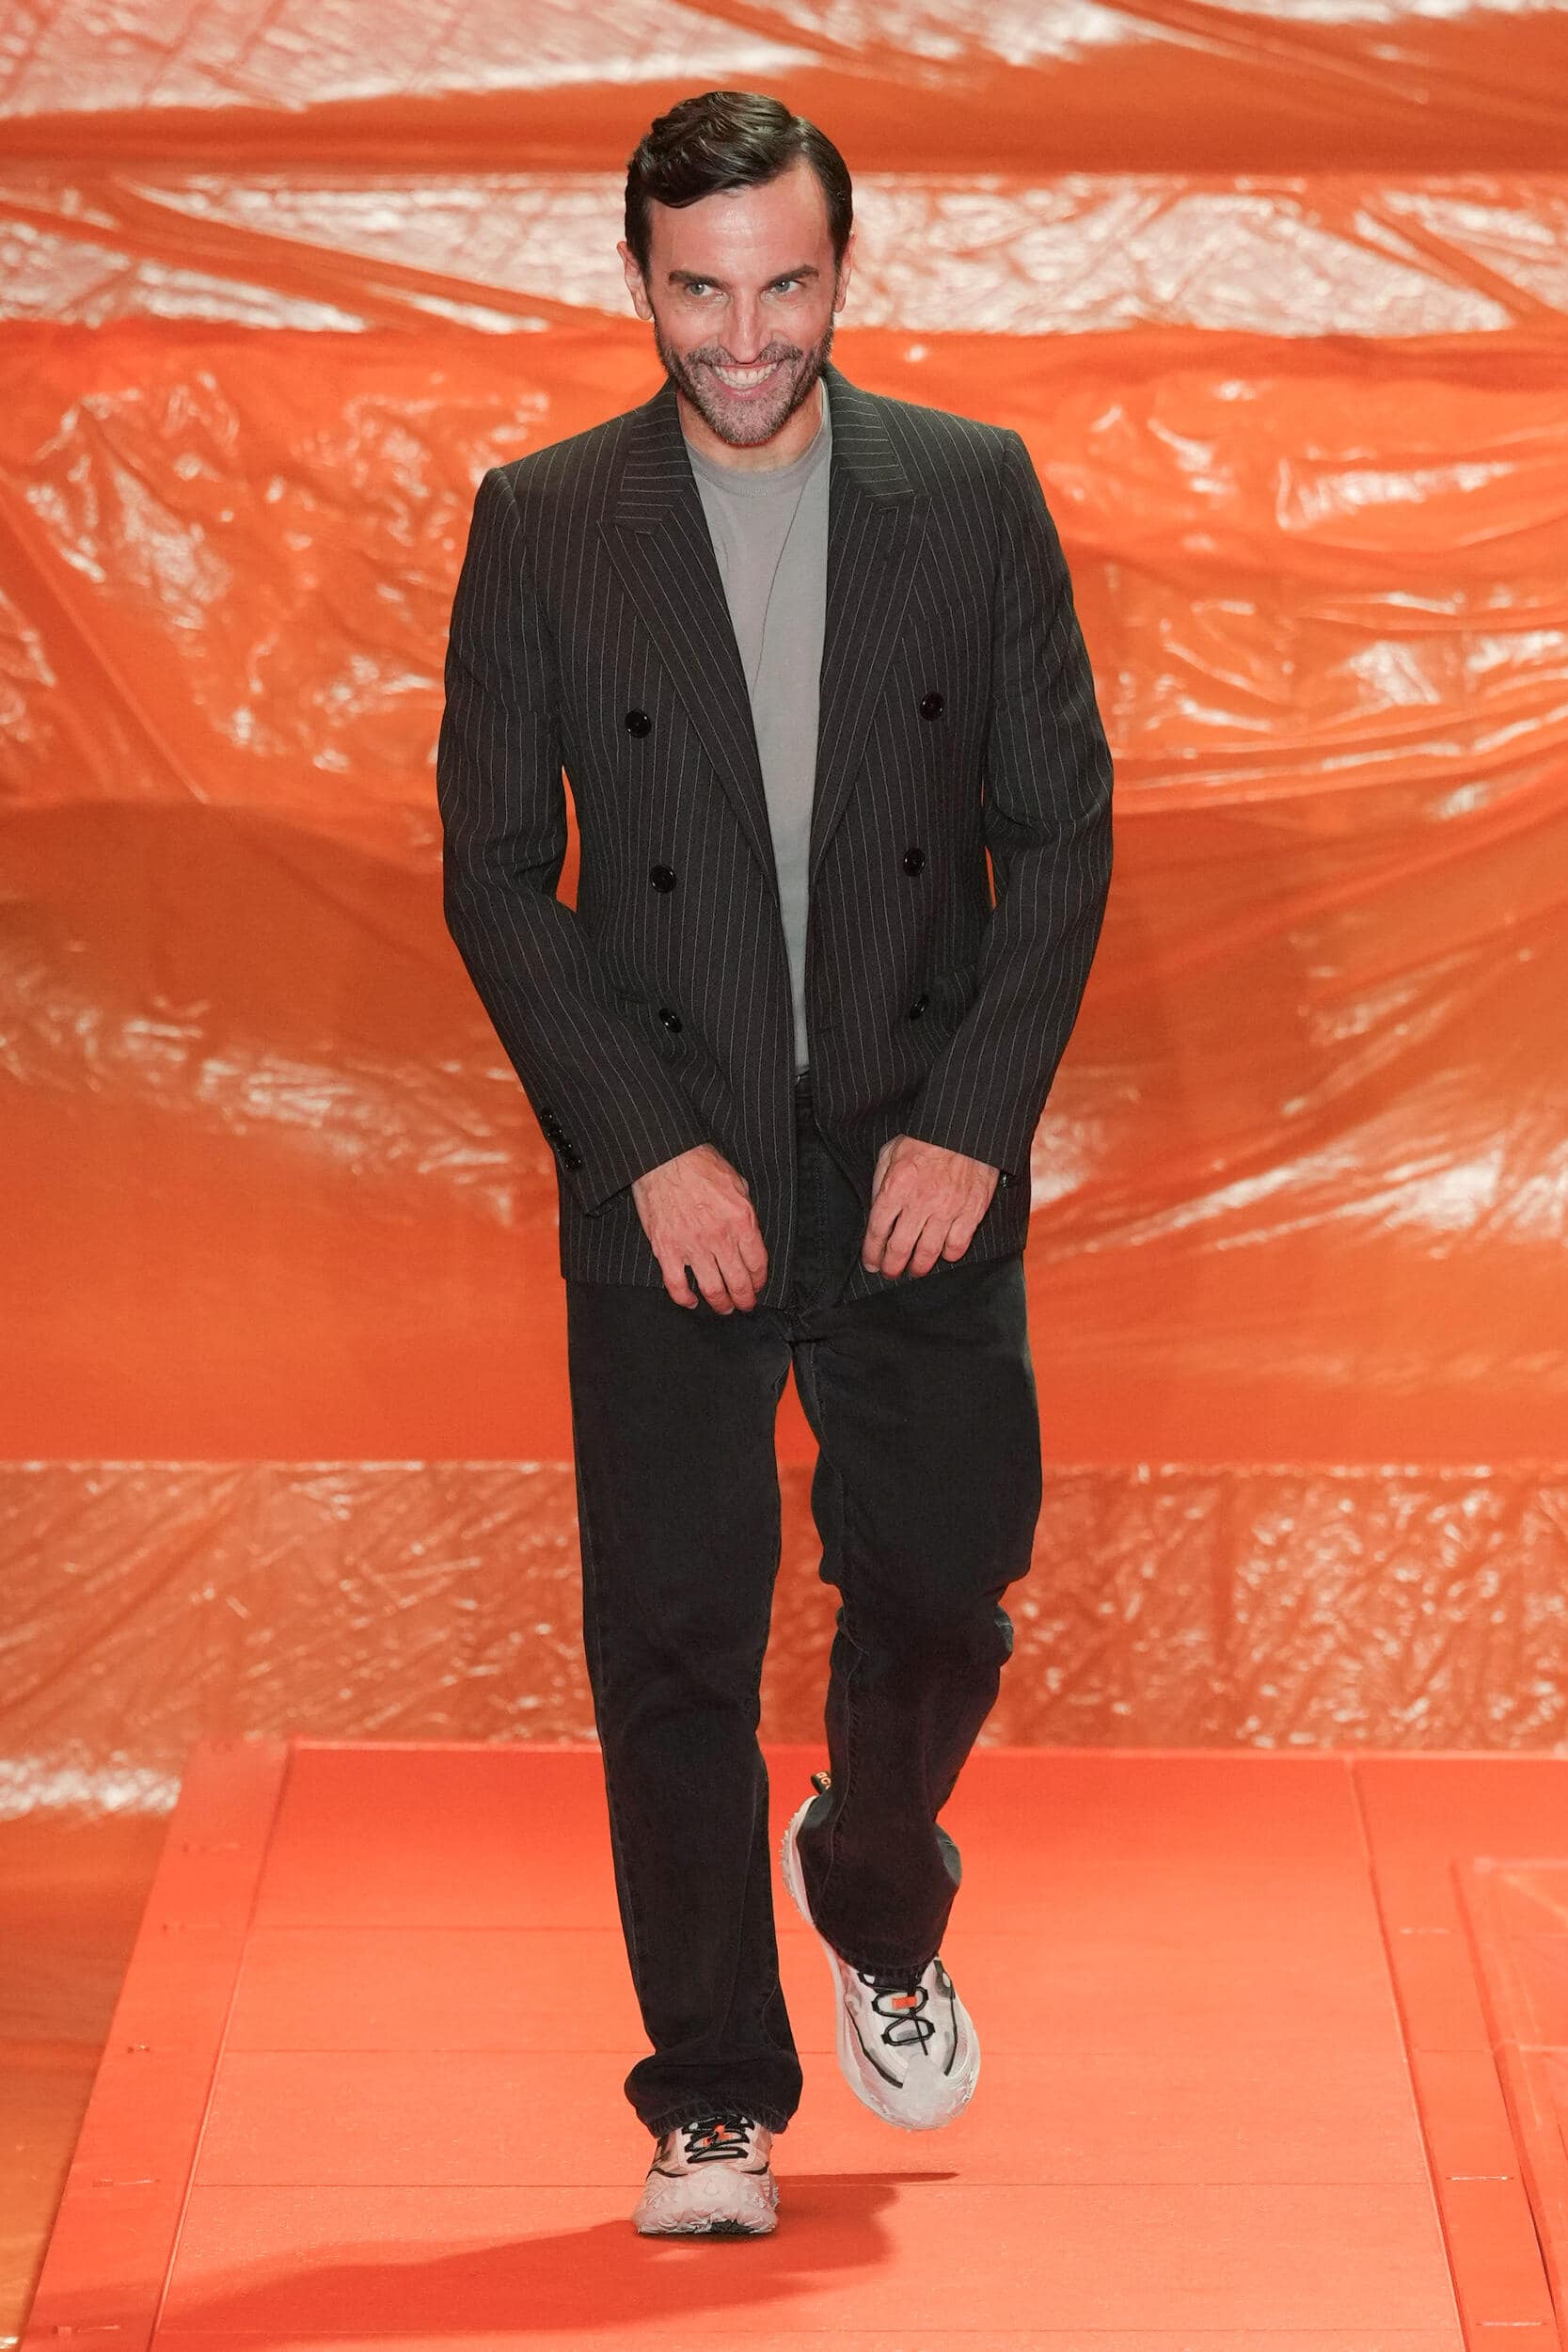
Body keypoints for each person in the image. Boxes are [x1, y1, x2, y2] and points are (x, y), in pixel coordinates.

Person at [436, 87, 1114, 2239]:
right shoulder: (545, 519)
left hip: (917, 1153)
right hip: (674, 1170)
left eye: (785, 286)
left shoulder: (970, 493)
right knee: (674, 1636)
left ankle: (874, 1881)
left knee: (947, 1581)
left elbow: (1060, 831)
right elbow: (494, 868)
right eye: (701, 291)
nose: (745, 339)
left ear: (843, 267)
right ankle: (713, 2093)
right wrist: (645, 1147)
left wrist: (973, 1120)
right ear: (639, 277)